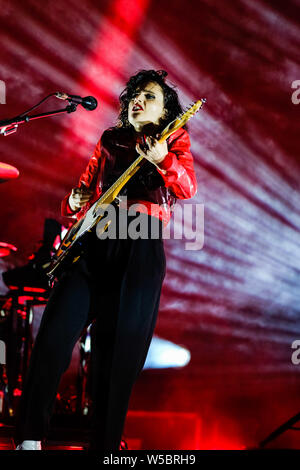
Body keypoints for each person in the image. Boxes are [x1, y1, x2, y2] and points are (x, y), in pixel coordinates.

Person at [14, 69, 197, 451]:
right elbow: (78, 196)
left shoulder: (174, 138)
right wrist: (73, 201)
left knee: (116, 357)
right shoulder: (110, 139)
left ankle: (105, 447)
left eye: (148, 97)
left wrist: (163, 161)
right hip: (94, 244)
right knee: (52, 336)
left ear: (166, 111)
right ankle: (28, 439)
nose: (137, 101)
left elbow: (187, 186)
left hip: (140, 246)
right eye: (134, 94)